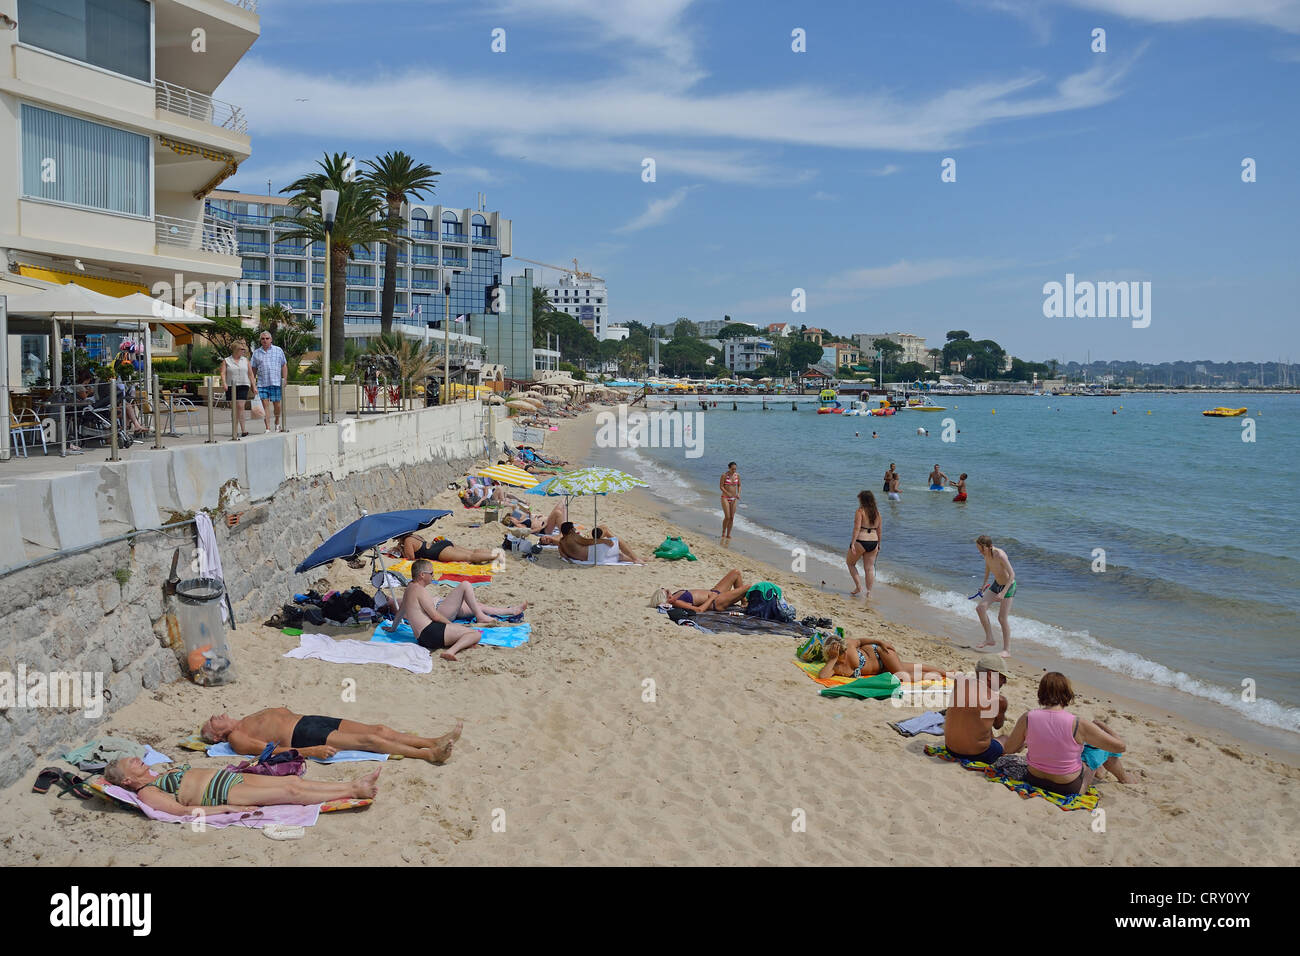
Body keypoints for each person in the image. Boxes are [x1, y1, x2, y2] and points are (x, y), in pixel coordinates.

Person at [1001, 672, 1128, 797]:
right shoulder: (1078, 723)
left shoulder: (1028, 717)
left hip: (1035, 779)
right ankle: (1125, 778)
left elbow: (1009, 749)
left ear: (1041, 692)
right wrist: (1102, 726)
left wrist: (1027, 740)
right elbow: (1120, 747)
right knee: (1097, 750)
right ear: (1067, 693)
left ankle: (1104, 772)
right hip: (1068, 787)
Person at [104, 757, 381, 814]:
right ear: (127, 780)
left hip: (230, 777)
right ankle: (354, 791)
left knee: (292, 781)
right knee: (291, 792)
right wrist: (226, 808)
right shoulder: (148, 792)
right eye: (128, 763)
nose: (135, 758)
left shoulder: (159, 774)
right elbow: (181, 811)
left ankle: (351, 783)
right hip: (222, 792)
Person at [200, 708, 461, 763]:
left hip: (309, 720)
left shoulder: (247, 718)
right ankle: (427, 754)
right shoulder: (236, 737)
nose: (218, 714)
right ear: (215, 737)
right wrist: (309, 752)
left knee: (378, 729)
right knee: (369, 742)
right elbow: (268, 752)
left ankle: (433, 740)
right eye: (213, 721)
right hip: (302, 735)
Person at [395, 559, 485, 661]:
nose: (433, 576)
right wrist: (451, 624)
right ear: (422, 575)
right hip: (431, 633)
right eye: (431, 573)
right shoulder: (421, 591)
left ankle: (455, 643)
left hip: (421, 638)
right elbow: (435, 616)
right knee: (475, 634)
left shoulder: (409, 587)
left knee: (462, 633)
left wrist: (393, 627)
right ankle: (450, 651)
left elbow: (402, 609)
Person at [945, 655, 1010, 762]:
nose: (1005, 682)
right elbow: (998, 725)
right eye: (1002, 677)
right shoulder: (999, 700)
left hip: (950, 749)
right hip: (978, 754)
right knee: (1006, 739)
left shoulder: (960, 682)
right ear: (990, 676)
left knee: (978, 720)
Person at [818, 635, 950, 683]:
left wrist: (880, 642)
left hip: (879, 652)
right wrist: (833, 659)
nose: (845, 652)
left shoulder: (848, 644)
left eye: (844, 649)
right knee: (905, 668)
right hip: (881, 669)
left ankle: (943, 674)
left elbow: (860, 640)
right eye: (840, 652)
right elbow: (823, 676)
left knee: (902, 675)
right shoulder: (834, 666)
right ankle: (940, 674)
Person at [972, 534, 1015, 657]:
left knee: (1002, 618)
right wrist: (984, 584)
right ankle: (990, 638)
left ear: (988, 546)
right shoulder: (986, 554)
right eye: (978, 549)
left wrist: (1003, 593)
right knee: (980, 608)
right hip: (996, 584)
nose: (980, 552)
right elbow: (988, 568)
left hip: (1009, 586)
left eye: (981, 549)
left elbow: (1012, 575)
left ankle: (1007, 650)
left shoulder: (1000, 555)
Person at [250, 330, 288, 433]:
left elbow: (284, 365)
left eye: (267, 338)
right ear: (260, 340)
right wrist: (252, 384)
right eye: (263, 339)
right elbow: (253, 369)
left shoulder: (278, 350)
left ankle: (277, 422)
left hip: (276, 382)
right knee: (265, 406)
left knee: (277, 406)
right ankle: (267, 428)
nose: (265, 340)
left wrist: (284, 379)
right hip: (262, 383)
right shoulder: (256, 353)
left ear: (271, 340)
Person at [846, 490, 882, 597]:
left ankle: (858, 586)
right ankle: (869, 592)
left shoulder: (860, 511)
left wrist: (852, 543)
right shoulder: (877, 512)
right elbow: (879, 530)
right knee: (869, 568)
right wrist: (879, 544)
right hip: (874, 541)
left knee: (850, 563)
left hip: (861, 541)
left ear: (863, 500)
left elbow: (856, 528)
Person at [557, 522, 643, 564]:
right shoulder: (572, 536)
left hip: (589, 558)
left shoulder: (561, 542)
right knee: (618, 540)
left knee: (618, 556)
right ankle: (636, 559)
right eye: (574, 528)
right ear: (571, 530)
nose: (575, 530)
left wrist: (574, 559)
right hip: (593, 553)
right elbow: (587, 542)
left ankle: (639, 559)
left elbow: (563, 556)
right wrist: (605, 540)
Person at [220, 340, 256, 438]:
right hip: (231, 386)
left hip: (243, 385)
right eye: (241, 349)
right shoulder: (226, 360)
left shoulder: (245, 360)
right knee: (234, 409)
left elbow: (250, 374)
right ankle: (234, 430)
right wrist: (224, 383)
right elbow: (223, 373)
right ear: (236, 349)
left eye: (244, 349)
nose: (243, 351)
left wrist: (254, 386)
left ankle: (243, 430)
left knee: (241, 406)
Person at [667, 570, 748, 612]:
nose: (668, 591)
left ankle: (744, 603)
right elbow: (699, 610)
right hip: (715, 602)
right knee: (748, 587)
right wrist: (711, 598)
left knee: (735, 573)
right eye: (666, 593)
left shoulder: (675, 595)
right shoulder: (677, 602)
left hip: (714, 592)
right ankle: (747, 604)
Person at [398, 533, 502, 564]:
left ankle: (496, 556)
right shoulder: (414, 536)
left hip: (438, 552)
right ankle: (495, 552)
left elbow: (410, 558)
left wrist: (401, 549)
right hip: (441, 544)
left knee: (469, 557)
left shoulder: (407, 541)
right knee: (472, 551)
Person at [503, 500, 568, 536]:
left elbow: (530, 522)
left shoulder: (520, 521)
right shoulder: (519, 525)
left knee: (562, 503)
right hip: (544, 529)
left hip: (545, 523)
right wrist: (542, 527)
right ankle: (564, 533)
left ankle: (565, 530)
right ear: (511, 521)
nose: (513, 517)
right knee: (557, 512)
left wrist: (531, 514)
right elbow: (530, 531)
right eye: (511, 518)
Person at [719, 462, 740, 539]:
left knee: (731, 517)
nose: (734, 470)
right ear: (729, 468)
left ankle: (728, 534)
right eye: (732, 469)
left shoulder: (737, 475)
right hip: (725, 497)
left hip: (734, 498)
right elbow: (721, 486)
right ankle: (723, 531)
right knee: (727, 516)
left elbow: (739, 485)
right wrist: (727, 493)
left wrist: (738, 493)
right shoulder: (724, 475)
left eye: (735, 469)